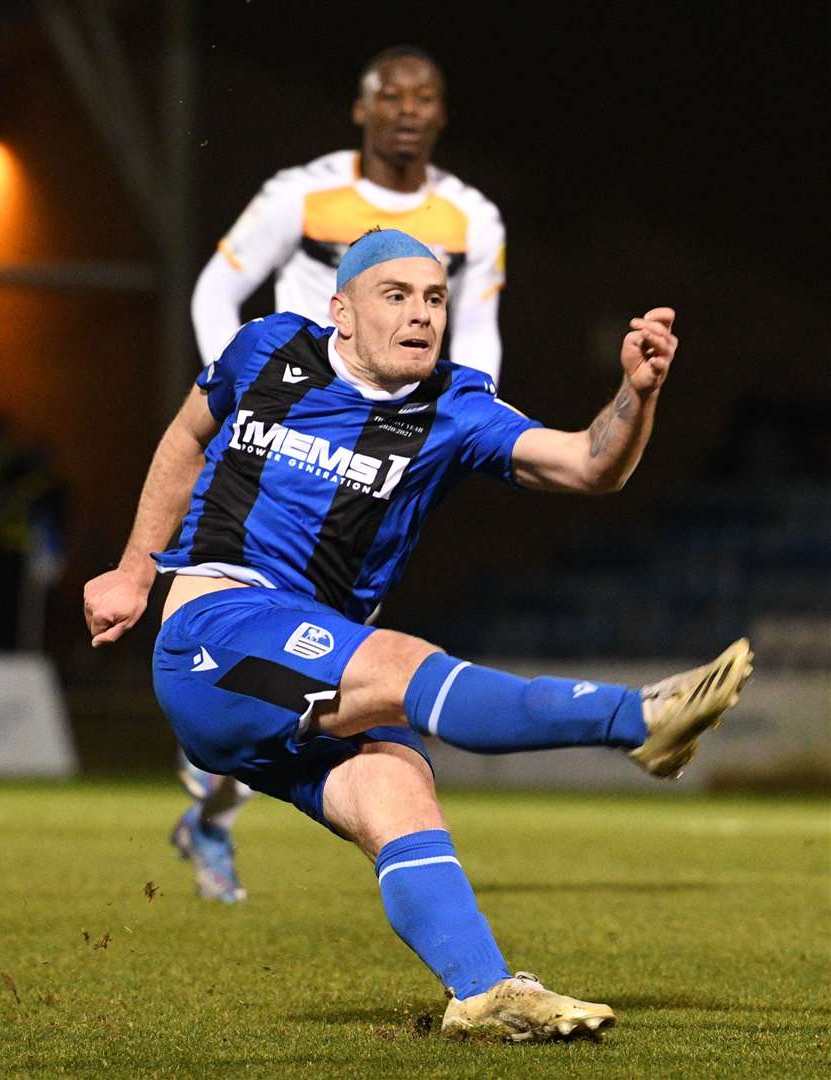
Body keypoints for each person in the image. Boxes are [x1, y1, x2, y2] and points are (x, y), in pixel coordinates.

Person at [83, 229, 751, 1040]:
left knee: (394, 785)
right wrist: (133, 569)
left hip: (303, 664)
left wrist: (635, 395)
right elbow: (189, 435)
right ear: (341, 311)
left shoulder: (454, 407)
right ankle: (635, 720)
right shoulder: (264, 350)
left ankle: (480, 992)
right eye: (394, 295)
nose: (420, 315)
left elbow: (586, 464)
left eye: (434, 298)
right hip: (212, 634)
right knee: (400, 662)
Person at [179, 46, 507, 902]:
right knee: (282, 662)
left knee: (330, 651)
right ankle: (216, 802)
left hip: (381, 454)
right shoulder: (302, 191)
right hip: (285, 448)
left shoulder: (472, 218)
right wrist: (248, 407)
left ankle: (214, 805)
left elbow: (477, 333)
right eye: (389, 95)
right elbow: (217, 290)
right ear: (359, 110)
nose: (407, 109)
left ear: (440, 115)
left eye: (424, 96)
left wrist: (470, 426)